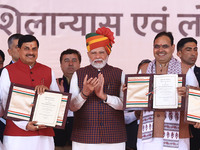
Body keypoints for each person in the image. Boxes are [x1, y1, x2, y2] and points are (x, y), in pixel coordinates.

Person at [69, 27, 126, 150]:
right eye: (93, 53)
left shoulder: (119, 73)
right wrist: (84, 94)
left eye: (101, 52)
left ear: (108, 53)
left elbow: (125, 105)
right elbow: (72, 107)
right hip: (84, 139)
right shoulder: (78, 74)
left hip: (114, 139)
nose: (98, 56)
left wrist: (104, 97)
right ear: (88, 54)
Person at [0, 34, 59, 150]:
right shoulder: (7, 71)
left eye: (34, 49)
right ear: (18, 49)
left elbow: (58, 104)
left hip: (44, 135)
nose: (30, 52)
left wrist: (48, 93)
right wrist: (25, 125)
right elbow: (5, 103)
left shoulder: (48, 70)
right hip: (16, 136)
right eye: (26, 48)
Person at [137, 31, 190, 150]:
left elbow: (197, 99)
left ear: (172, 48)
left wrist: (187, 94)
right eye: (157, 46)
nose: (160, 50)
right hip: (147, 136)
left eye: (165, 46)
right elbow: (137, 99)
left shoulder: (185, 70)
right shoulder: (144, 70)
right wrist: (129, 93)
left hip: (178, 136)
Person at [54, 49, 81, 150]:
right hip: (59, 135)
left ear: (79, 64)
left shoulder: (88, 84)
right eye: (66, 60)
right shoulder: (54, 83)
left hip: (81, 132)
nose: (70, 64)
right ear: (60, 65)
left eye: (74, 60)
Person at [177, 37, 200, 150]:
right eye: (189, 49)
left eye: (195, 49)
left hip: (197, 128)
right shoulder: (171, 74)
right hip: (177, 130)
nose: (193, 53)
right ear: (179, 53)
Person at [0, 33, 23, 143]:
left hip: (34, 128)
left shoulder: (41, 72)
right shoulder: (2, 73)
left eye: (24, 46)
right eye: (17, 47)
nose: (21, 50)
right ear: (9, 51)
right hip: (5, 126)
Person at [124, 59, 151, 150]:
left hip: (152, 142)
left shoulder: (159, 92)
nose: (146, 74)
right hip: (131, 143)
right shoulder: (129, 91)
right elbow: (121, 118)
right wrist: (135, 114)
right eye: (143, 71)